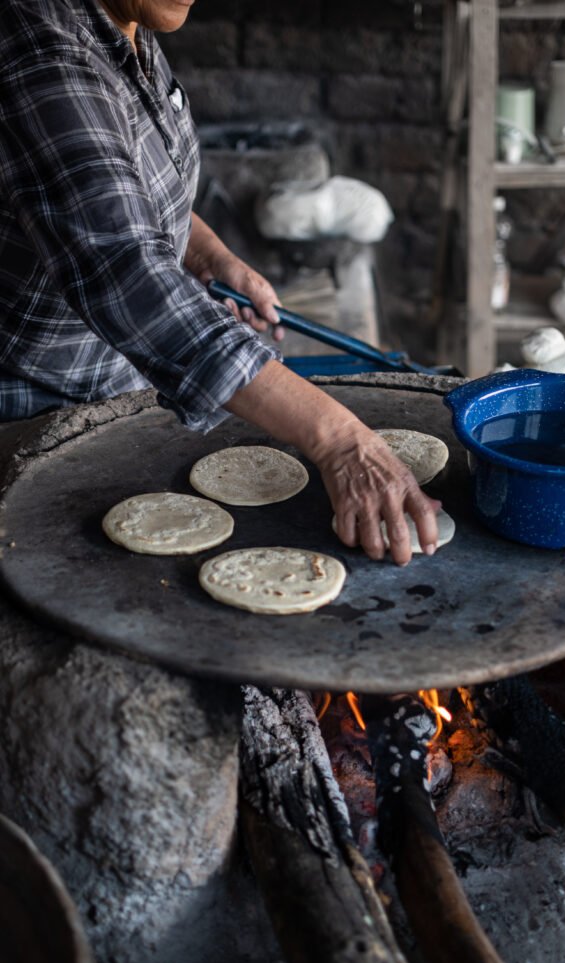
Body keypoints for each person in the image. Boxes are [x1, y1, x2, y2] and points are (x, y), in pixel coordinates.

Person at [0, 0, 439, 565]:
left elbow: (127, 190)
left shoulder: (123, 25)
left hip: (112, 395)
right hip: (30, 421)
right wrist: (339, 438)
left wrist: (210, 255)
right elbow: (125, 268)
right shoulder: (37, 47)